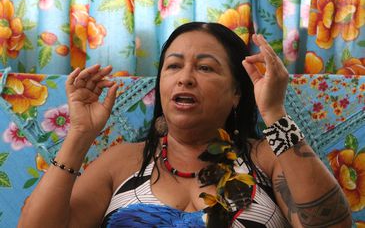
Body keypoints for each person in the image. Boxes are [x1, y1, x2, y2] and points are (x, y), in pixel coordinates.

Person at [18, 22, 351, 228]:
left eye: (205, 68)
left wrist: (275, 113)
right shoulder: (121, 162)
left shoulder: (267, 158)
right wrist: (79, 135)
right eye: (173, 66)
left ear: (237, 92)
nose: (186, 78)